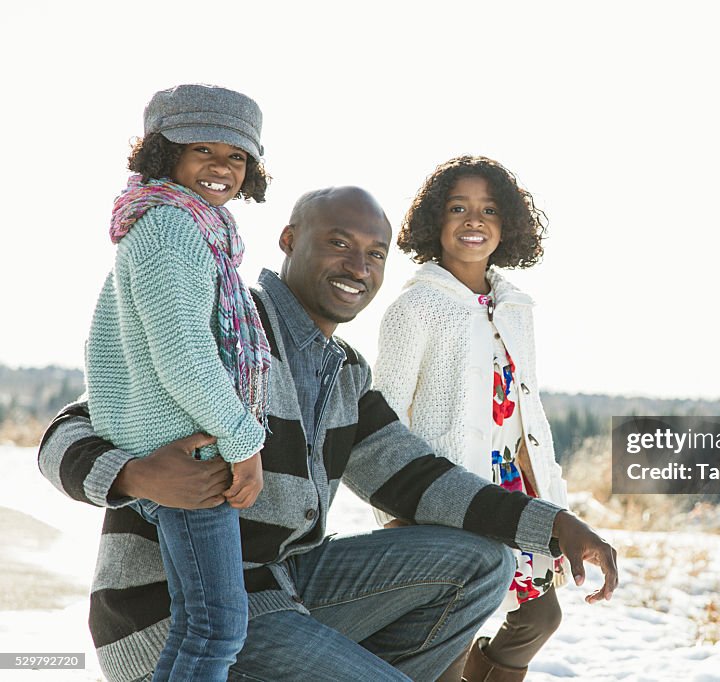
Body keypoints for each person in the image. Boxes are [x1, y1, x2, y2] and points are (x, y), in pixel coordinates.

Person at [39, 186, 618, 682]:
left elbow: (417, 479)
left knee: (481, 562)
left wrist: (552, 524)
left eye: (374, 254)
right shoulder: (230, 327)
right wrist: (135, 473)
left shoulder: (344, 372)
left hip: (283, 591)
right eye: (339, 243)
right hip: (174, 618)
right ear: (290, 240)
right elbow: (69, 429)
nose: (358, 268)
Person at [83, 83, 272, 681]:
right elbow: (185, 359)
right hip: (191, 454)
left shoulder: (190, 228)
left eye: (236, 156)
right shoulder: (170, 228)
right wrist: (245, 443)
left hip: (185, 440)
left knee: (200, 622)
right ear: (164, 154)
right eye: (202, 150)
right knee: (216, 625)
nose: (221, 167)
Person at [373, 155, 568, 681]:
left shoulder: (516, 309)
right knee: (450, 642)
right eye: (458, 208)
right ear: (436, 221)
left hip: (511, 487)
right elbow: (380, 420)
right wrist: (394, 508)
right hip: (444, 489)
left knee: (539, 616)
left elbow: (527, 411)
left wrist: (548, 495)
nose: (473, 220)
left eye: (488, 210)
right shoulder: (414, 309)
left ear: (508, 227)